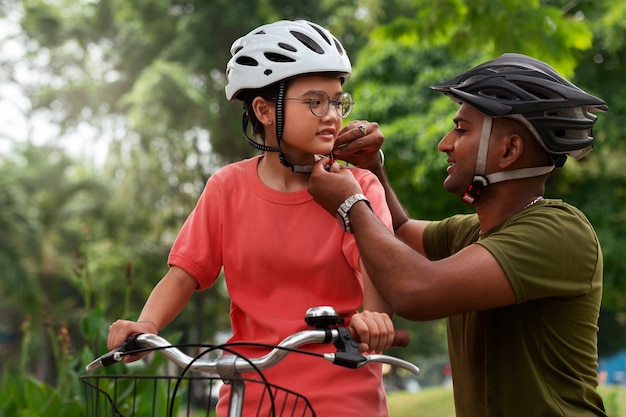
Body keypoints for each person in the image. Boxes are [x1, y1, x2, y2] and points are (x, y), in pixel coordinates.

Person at [107, 19, 397, 417]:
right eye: (315, 101)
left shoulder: (356, 187)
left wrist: (374, 317)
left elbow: (376, 270)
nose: (332, 115)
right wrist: (147, 325)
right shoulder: (227, 187)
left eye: (338, 101)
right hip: (249, 391)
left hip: (342, 391)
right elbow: (183, 274)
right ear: (263, 109)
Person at [308, 53, 608, 416]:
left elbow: (414, 292)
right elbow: (399, 231)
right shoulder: (474, 233)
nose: (445, 143)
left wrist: (351, 203)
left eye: (462, 130)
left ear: (509, 150)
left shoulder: (559, 232)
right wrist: (372, 167)